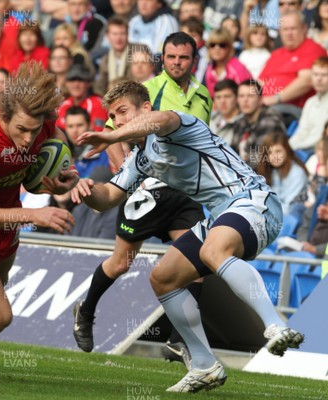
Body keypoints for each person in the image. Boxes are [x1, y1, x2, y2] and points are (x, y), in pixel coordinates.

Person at [75, 80, 304, 393]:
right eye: (114, 116)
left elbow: (163, 119)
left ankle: (274, 324)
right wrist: (80, 186)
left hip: (254, 200)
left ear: (145, 108)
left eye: (124, 112)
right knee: (163, 277)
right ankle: (203, 364)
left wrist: (114, 135)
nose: (119, 120)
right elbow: (108, 197)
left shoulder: (178, 123)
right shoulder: (140, 159)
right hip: (221, 216)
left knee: (213, 250)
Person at [72, 33, 208, 361]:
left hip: (182, 193)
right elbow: (113, 136)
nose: (177, 62)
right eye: (171, 57)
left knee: (197, 265)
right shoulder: (151, 91)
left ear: (194, 60)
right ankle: (86, 311)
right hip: (144, 193)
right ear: (164, 58)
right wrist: (124, 179)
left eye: (184, 58)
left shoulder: (203, 94)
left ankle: (179, 339)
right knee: (121, 263)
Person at [0, 60, 78, 340]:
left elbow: (55, 135)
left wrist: (65, 170)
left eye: (34, 130)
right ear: (4, 115)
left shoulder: (40, 122)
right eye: (21, 129)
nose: (28, 139)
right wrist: (32, 216)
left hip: (6, 230)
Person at [258, 11, 327, 108]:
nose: (289, 33)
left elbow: (306, 81)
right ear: (280, 31)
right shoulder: (276, 54)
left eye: (293, 28)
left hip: (292, 109)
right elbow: (260, 82)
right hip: (265, 106)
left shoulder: (313, 49)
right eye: (285, 29)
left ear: (304, 28)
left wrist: (276, 99)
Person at [233, 79, 286, 166]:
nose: (245, 100)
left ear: (260, 99)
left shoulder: (271, 120)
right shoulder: (240, 122)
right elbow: (231, 152)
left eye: (250, 96)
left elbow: (261, 158)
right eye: (241, 96)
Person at [256, 132, 309, 217]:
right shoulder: (273, 170)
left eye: (278, 151)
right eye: (270, 153)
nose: (274, 157)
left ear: (286, 150)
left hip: (287, 219)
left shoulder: (297, 174)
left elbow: (288, 208)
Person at [289, 56, 328, 154]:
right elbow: (302, 132)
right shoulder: (310, 102)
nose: (319, 79)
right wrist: (287, 148)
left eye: (324, 75)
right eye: (315, 74)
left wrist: (293, 149)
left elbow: (320, 137)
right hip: (303, 150)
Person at [57, 63, 108, 132]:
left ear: (89, 83)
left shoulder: (99, 104)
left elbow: (99, 133)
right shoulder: (63, 104)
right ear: (66, 83)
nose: (76, 84)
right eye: (72, 80)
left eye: (80, 80)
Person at [204, 28, 252, 98]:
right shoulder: (209, 69)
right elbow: (212, 98)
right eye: (212, 45)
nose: (217, 48)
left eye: (222, 45)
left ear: (229, 47)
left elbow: (246, 96)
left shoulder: (238, 68)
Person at [94, 16, 132, 96]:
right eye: (115, 34)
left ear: (128, 35)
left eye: (122, 34)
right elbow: (100, 86)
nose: (118, 38)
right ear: (107, 36)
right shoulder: (105, 60)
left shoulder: (137, 52)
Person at [210, 79, 240, 149]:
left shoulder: (244, 123)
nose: (222, 101)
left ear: (236, 98)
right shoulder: (209, 121)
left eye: (227, 96)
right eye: (218, 97)